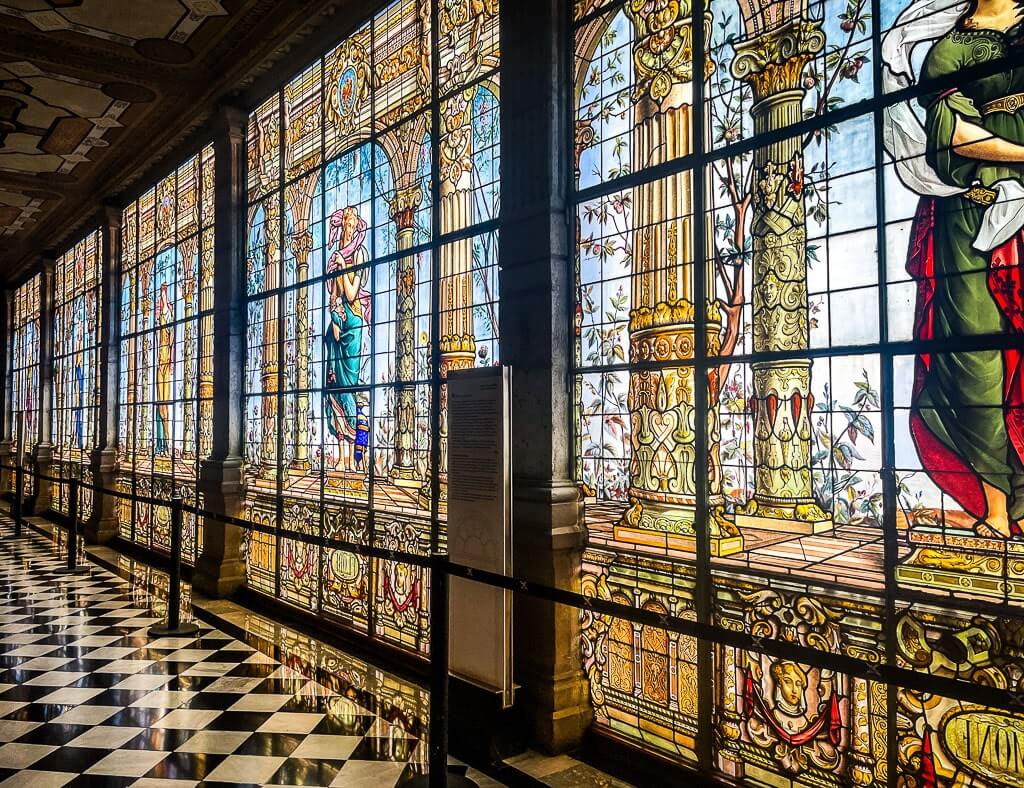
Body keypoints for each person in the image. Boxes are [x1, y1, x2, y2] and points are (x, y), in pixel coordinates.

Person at [884, 0, 1024, 538]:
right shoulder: (952, 48)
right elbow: (954, 140)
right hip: (972, 216)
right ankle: (996, 506)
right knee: (975, 356)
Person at [324, 207, 369, 473]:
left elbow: (351, 294)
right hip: (337, 327)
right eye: (345, 224)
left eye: (352, 223)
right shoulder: (335, 256)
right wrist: (333, 317)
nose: (348, 228)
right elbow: (334, 296)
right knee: (334, 389)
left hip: (354, 323)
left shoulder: (359, 254)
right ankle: (341, 455)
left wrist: (342, 267)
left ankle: (355, 457)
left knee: (349, 387)